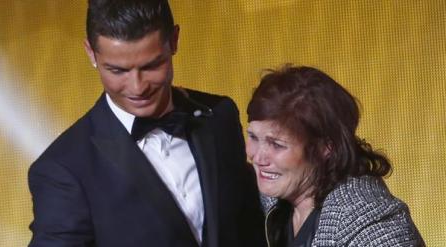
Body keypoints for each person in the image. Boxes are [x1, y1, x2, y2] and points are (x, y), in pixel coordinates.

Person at [28, 1, 266, 246]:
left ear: (174, 40)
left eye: (151, 66)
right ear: (91, 53)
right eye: (117, 71)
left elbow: (250, 229)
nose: (137, 87)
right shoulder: (63, 170)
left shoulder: (219, 116)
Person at [245, 64, 425, 246]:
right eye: (253, 137)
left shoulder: (373, 228)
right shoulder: (274, 200)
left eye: (277, 145)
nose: (258, 157)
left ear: (325, 148)